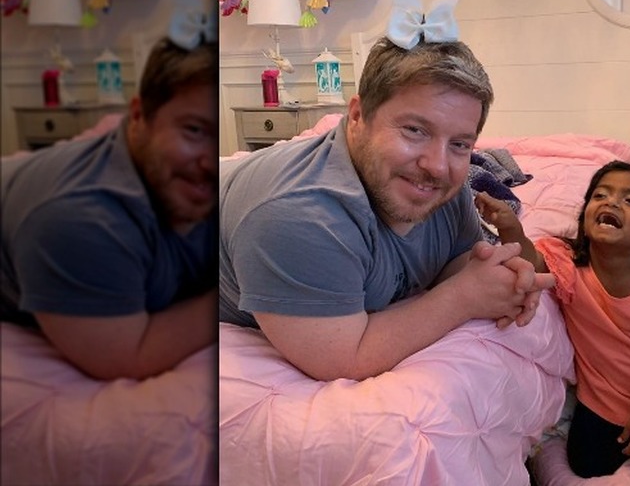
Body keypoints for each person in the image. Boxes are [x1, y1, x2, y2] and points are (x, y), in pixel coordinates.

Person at [218, 31, 554, 382]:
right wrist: (463, 297)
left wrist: (505, 281)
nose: (438, 166)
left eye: (459, 143)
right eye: (414, 130)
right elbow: (342, 358)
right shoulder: (297, 215)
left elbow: (462, 263)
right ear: (357, 116)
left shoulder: (448, 187)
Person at [1, 33, 219, 380]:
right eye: (194, 130)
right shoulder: (79, 217)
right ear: (138, 116)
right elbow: (126, 356)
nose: (210, 161)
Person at [477, 159, 630, 485]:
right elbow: (529, 261)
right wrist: (510, 225)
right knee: (585, 466)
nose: (611, 202)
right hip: (601, 404)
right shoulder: (567, 267)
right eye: (600, 195)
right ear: (585, 218)